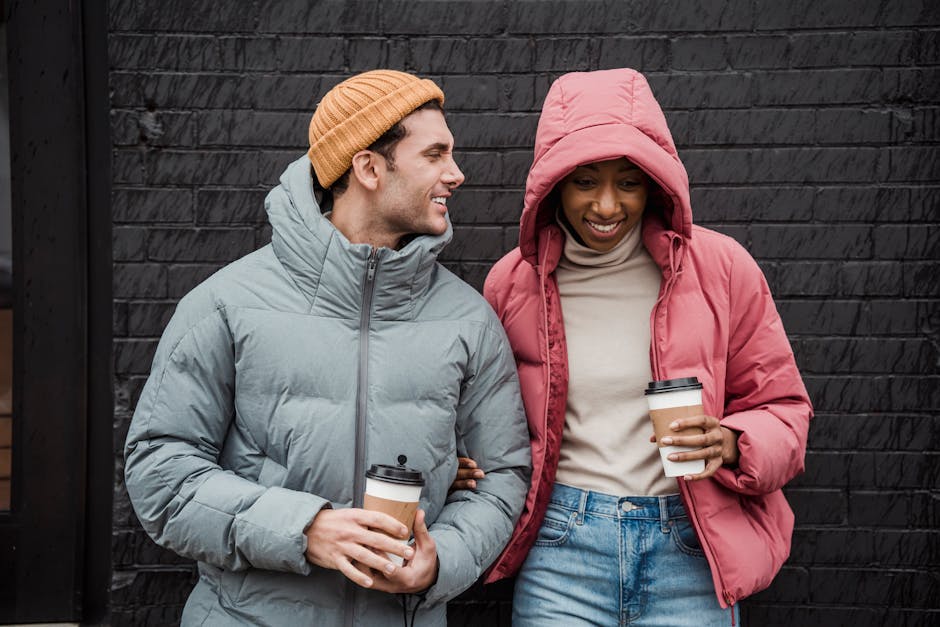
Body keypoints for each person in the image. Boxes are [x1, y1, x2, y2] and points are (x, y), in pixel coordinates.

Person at [124, 69, 531, 627]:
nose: (455, 174)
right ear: (367, 167)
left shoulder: (469, 321)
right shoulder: (225, 305)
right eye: (434, 154)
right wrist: (304, 528)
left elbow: (504, 477)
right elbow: (160, 472)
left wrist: (444, 561)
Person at [455, 68, 812, 625]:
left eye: (627, 181)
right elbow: (484, 423)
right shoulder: (513, 282)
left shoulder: (721, 269)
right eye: (585, 181)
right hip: (560, 550)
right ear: (554, 184)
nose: (605, 206)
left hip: (691, 549)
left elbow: (785, 410)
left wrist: (734, 443)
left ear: (655, 183)